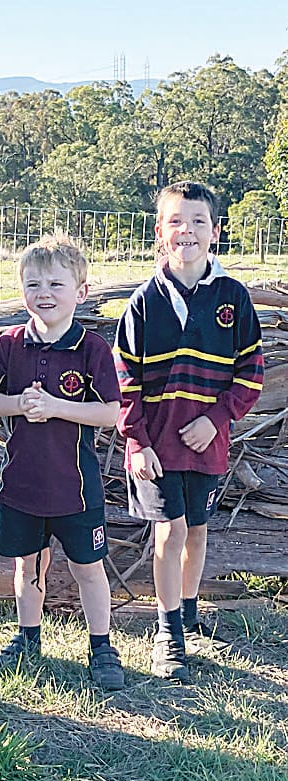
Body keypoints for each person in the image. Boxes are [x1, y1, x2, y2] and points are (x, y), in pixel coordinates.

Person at [114, 181, 264, 681]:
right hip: (155, 448)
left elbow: (251, 371)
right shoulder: (143, 302)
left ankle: (190, 613)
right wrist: (136, 441)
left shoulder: (232, 297)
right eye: (176, 221)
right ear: (159, 232)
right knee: (170, 530)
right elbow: (124, 380)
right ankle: (167, 632)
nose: (188, 231)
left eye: (199, 221)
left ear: (215, 231)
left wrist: (217, 418)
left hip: (206, 443)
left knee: (196, 530)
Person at [0, 235, 125, 690]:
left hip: (75, 489)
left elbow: (110, 412)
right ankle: (28, 638)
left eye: (56, 284)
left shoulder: (91, 349)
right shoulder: (8, 344)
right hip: (22, 484)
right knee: (28, 565)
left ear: (81, 292)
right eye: (34, 284)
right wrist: (19, 404)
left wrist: (58, 407)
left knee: (88, 568)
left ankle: (101, 646)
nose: (44, 293)